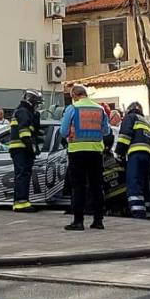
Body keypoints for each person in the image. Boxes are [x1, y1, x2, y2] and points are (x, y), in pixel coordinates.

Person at [60, 84, 110, 231]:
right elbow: (106, 131)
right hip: (96, 151)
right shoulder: (100, 109)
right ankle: (98, 221)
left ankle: (78, 221)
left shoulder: (72, 109)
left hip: (77, 151)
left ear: (75, 95)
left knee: (78, 187)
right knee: (96, 186)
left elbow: (63, 131)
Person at [113, 102, 150, 219]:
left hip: (135, 155)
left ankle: (138, 212)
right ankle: (148, 211)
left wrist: (119, 153)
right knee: (145, 185)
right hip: (148, 156)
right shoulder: (147, 122)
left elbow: (124, 137)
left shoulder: (130, 118)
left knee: (134, 183)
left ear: (128, 110)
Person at [11, 90, 42, 213]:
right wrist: (31, 148)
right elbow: (24, 133)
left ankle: (20, 202)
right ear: (31, 101)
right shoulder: (23, 111)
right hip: (21, 148)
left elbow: (33, 130)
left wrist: (36, 118)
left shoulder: (25, 111)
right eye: (36, 104)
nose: (37, 106)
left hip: (21, 148)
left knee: (23, 175)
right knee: (22, 175)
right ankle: (21, 203)